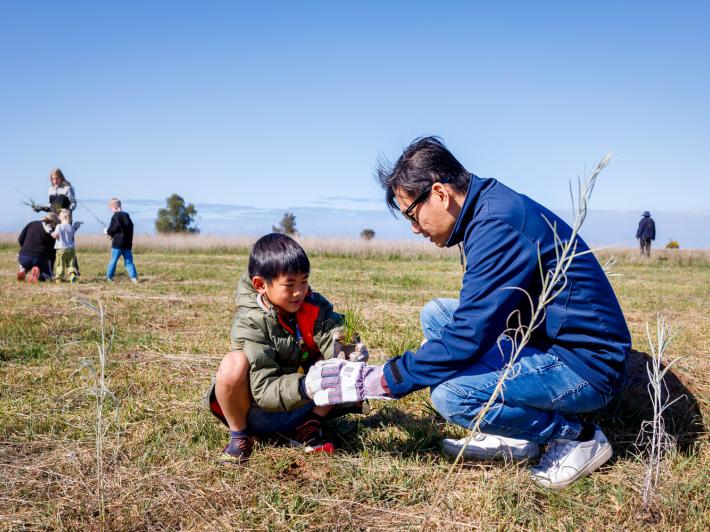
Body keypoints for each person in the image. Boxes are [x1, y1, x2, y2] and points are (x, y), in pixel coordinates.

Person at [305, 137, 632, 490]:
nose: (415, 229)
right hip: (544, 338)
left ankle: (576, 437)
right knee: (437, 314)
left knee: (452, 396)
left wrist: (381, 380)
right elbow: (475, 322)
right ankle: (513, 430)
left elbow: (468, 337)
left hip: (586, 364)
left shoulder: (496, 227)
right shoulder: (486, 207)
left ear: (440, 194)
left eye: (412, 215)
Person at [203, 233, 368, 464]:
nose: (299, 291)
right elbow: (263, 390)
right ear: (260, 285)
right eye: (289, 284)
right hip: (260, 415)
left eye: (304, 281)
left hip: (305, 405)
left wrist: (349, 353)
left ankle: (309, 426)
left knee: (336, 359)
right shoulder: (251, 322)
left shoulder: (312, 305)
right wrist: (306, 386)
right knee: (233, 364)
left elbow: (333, 332)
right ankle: (239, 436)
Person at [17, 213, 59, 282]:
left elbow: (20, 239)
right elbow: (52, 251)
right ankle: (41, 274)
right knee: (49, 277)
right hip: (40, 258)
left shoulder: (31, 224)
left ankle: (23, 269)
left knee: (25, 263)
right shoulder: (51, 230)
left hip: (24, 257)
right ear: (54, 222)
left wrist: (24, 250)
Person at [104, 198, 138, 283]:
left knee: (113, 260)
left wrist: (107, 231)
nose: (111, 211)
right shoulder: (127, 216)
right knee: (129, 261)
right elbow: (126, 229)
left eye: (111, 209)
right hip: (127, 244)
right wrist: (112, 234)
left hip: (117, 244)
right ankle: (134, 278)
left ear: (114, 208)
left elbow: (113, 228)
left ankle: (109, 277)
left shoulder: (115, 216)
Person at [51, 209, 82, 283]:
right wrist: (76, 226)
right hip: (71, 249)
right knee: (70, 264)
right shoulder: (70, 227)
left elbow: (55, 236)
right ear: (69, 218)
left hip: (61, 249)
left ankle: (58, 279)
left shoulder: (59, 226)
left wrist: (50, 231)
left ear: (60, 218)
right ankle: (72, 275)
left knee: (60, 265)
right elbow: (73, 232)